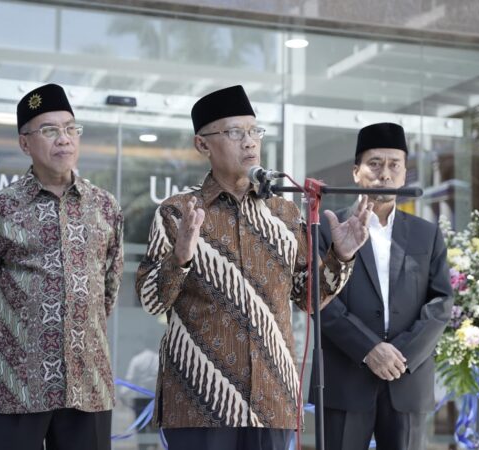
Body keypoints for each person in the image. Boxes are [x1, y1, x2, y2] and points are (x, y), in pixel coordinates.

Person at [135, 85, 373, 450]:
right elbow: (152, 301)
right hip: (200, 400)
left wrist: (340, 257)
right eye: (235, 132)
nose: (249, 142)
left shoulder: (285, 213)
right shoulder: (177, 211)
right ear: (203, 144)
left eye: (254, 131)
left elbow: (309, 299)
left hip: (272, 398)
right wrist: (180, 256)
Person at [0, 83, 124, 450]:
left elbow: (109, 289)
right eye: (50, 130)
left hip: (88, 382)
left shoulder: (104, 207)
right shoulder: (0, 211)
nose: (64, 139)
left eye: (71, 129)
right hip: (17, 384)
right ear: (25, 143)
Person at [310, 122, 454, 450]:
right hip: (345, 378)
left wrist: (399, 355)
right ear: (356, 171)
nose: (384, 174)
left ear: (405, 173)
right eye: (375, 164)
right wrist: (369, 349)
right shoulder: (327, 229)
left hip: (407, 378)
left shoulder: (426, 234)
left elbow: (441, 301)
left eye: (394, 165)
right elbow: (320, 300)